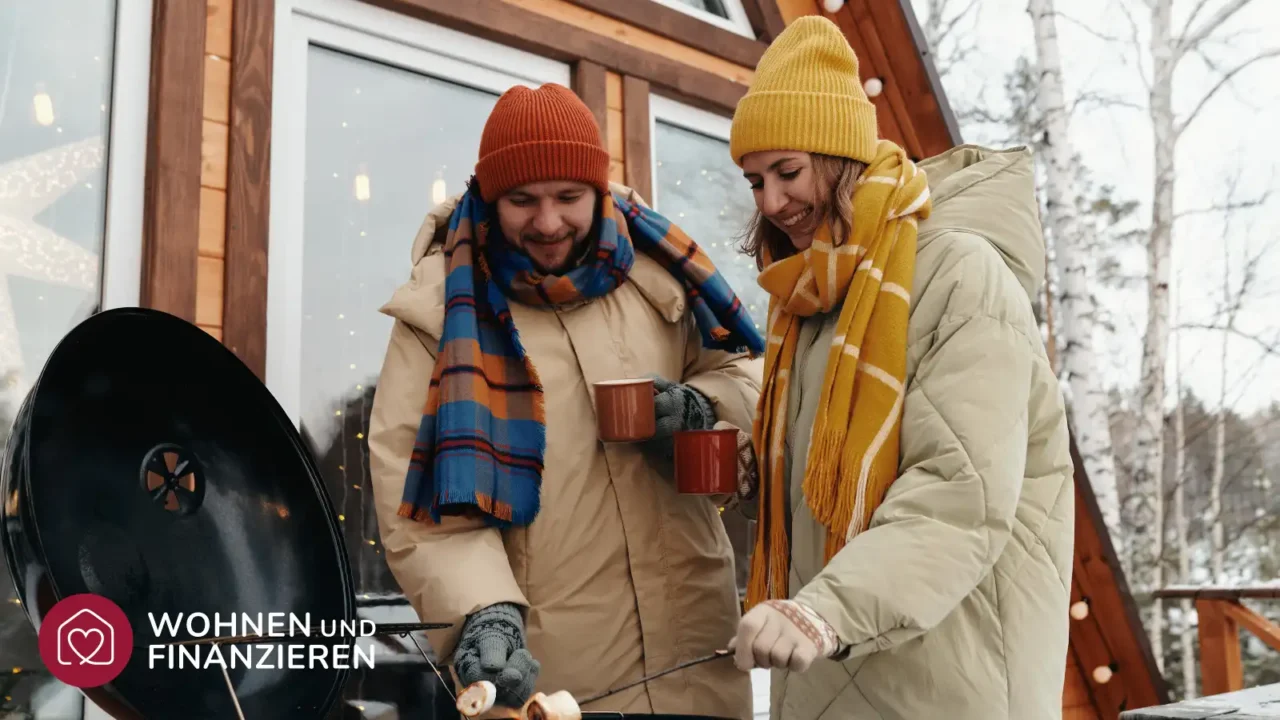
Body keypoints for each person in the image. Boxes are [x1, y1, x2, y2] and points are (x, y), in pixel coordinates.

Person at [368, 82, 763, 719]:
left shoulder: (661, 267)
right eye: (522, 199)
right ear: (492, 198)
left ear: (598, 191)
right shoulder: (439, 310)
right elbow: (413, 497)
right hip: (553, 676)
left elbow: (744, 376)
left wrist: (699, 409)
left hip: (697, 652)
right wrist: (482, 612)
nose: (548, 222)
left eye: (568, 197)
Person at [723, 16, 1075, 720]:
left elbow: (959, 494)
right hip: (834, 671)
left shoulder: (959, 275)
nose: (770, 202)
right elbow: (822, 491)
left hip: (948, 679)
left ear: (841, 158)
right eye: (755, 179)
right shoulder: (812, 297)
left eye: (787, 172)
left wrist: (824, 611)